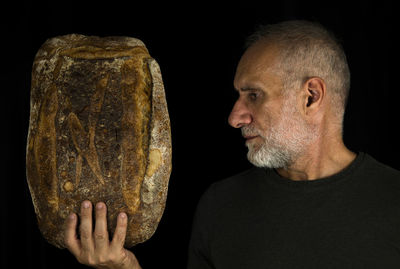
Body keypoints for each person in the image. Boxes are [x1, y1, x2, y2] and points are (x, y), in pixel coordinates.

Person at [64, 20, 400, 268]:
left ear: (310, 96)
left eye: (254, 95)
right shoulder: (220, 205)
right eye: (239, 97)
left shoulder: (393, 200)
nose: (235, 117)